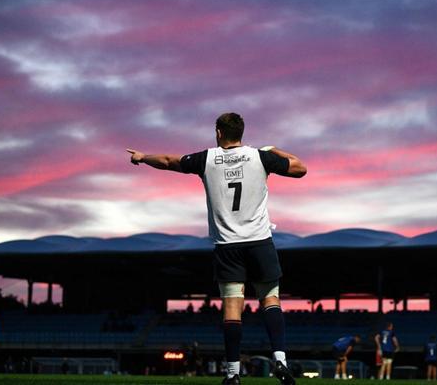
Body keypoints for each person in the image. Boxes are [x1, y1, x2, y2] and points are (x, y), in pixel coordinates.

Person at [127, 112, 307, 385]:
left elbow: (167, 161)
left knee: (232, 308)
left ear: (219, 133)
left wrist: (142, 157)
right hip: (259, 242)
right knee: (270, 300)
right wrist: (273, 149)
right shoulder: (260, 157)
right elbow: (300, 168)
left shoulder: (207, 159)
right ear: (241, 133)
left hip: (228, 246)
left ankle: (233, 374)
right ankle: (280, 361)